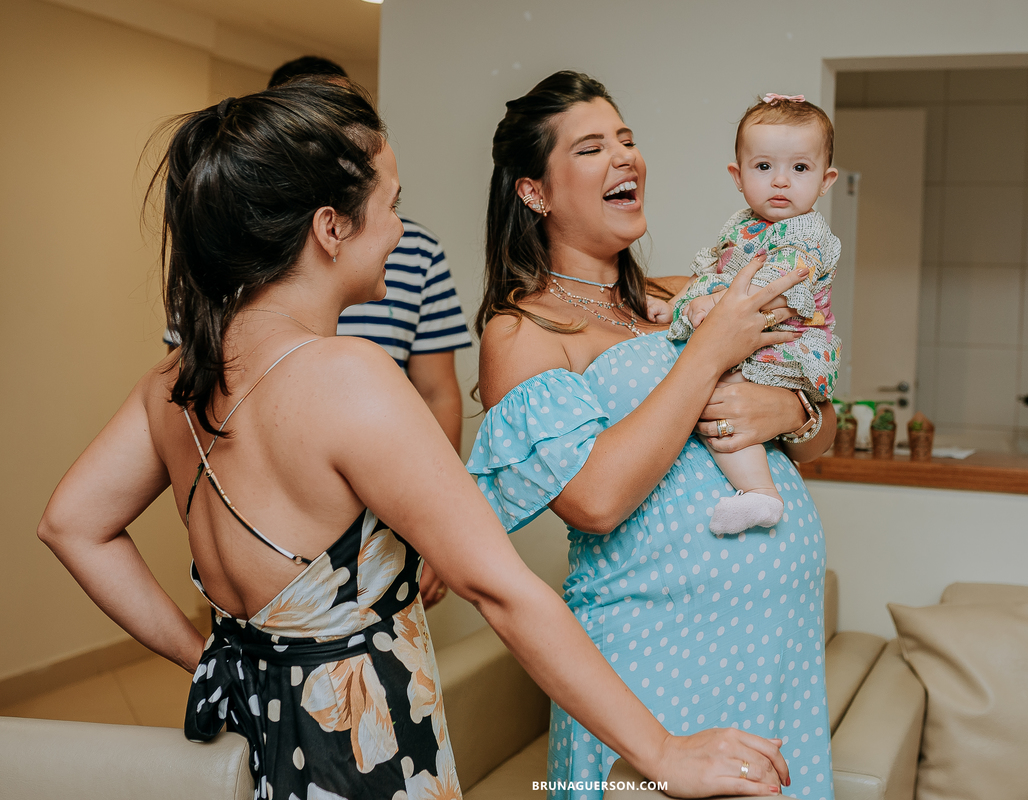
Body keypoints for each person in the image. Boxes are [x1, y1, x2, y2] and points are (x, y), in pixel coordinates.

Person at [38, 80, 791, 800]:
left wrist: (201, 657)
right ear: (330, 228)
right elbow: (499, 587)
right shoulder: (349, 377)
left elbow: (72, 525)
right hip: (363, 757)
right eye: (393, 205)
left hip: (252, 737)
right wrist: (663, 753)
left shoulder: (176, 378)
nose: (403, 229)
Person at [467, 72, 837, 800]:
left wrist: (791, 415)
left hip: (774, 649)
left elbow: (824, 430)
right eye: (593, 147)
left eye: (628, 141)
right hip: (653, 654)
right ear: (534, 191)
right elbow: (595, 501)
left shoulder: (686, 293)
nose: (626, 158)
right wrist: (707, 352)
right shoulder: (525, 331)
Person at [168, 55, 474, 607]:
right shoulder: (347, 361)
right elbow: (191, 399)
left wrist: (435, 523)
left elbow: (437, 390)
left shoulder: (411, 252)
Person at [653, 94, 841, 535]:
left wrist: (711, 307)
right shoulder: (743, 225)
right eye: (763, 167)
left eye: (800, 168)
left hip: (786, 345)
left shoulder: (805, 234)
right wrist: (679, 304)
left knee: (725, 394)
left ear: (825, 180)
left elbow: (771, 293)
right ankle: (757, 491)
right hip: (754, 338)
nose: (780, 181)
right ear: (737, 176)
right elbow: (710, 274)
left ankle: (760, 493)